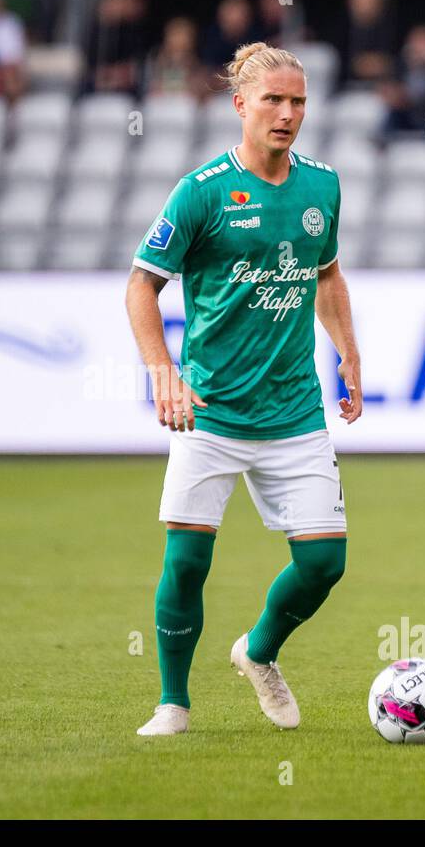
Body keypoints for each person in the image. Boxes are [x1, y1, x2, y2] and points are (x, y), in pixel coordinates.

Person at [124, 43, 363, 737]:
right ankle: (173, 703)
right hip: (213, 409)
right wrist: (163, 372)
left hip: (293, 409)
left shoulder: (322, 187)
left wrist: (347, 351)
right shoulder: (202, 191)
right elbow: (142, 284)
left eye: (298, 103)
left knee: (323, 563)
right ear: (241, 106)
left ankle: (258, 652)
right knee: (188, 560)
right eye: (273, 101)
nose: (288, 114)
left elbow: (326, 275)